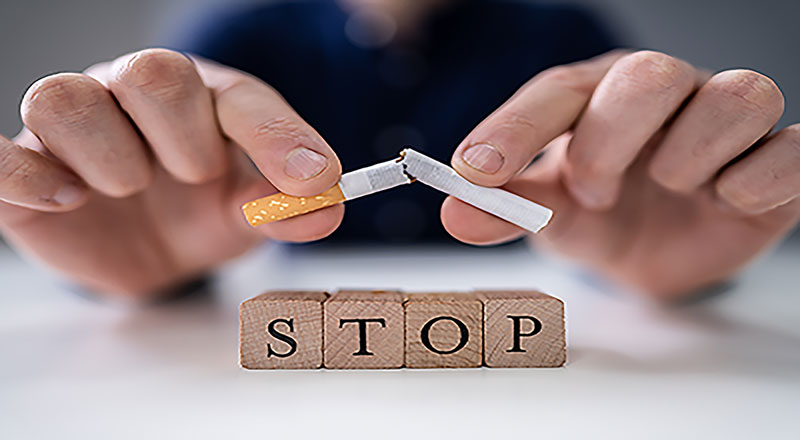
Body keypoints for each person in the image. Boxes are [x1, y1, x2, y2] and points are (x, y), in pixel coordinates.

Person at [0, 0, 797, 300]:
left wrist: (678, 282)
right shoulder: (237, 32)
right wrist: (146, 280)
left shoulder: (560, 31)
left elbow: (624, 180)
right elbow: (153, 171)